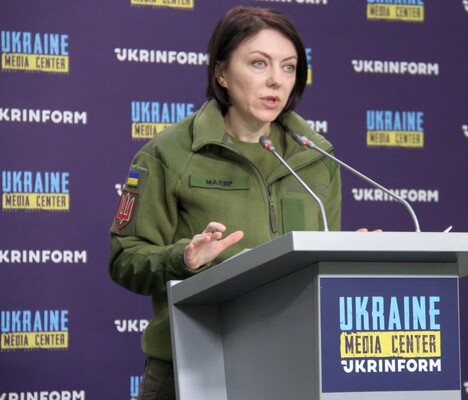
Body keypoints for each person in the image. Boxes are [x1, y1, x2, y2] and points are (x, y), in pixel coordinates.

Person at [109, 6, 341, 400]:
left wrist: (347, 255)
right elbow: (125, 258)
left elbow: (318, 265)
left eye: (288, 67)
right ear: (221, 72)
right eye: (259, 63)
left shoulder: (317, 157)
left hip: (292, 364)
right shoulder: (168, 154)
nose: (276, 80)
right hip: (193, 367)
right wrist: (183, 259)